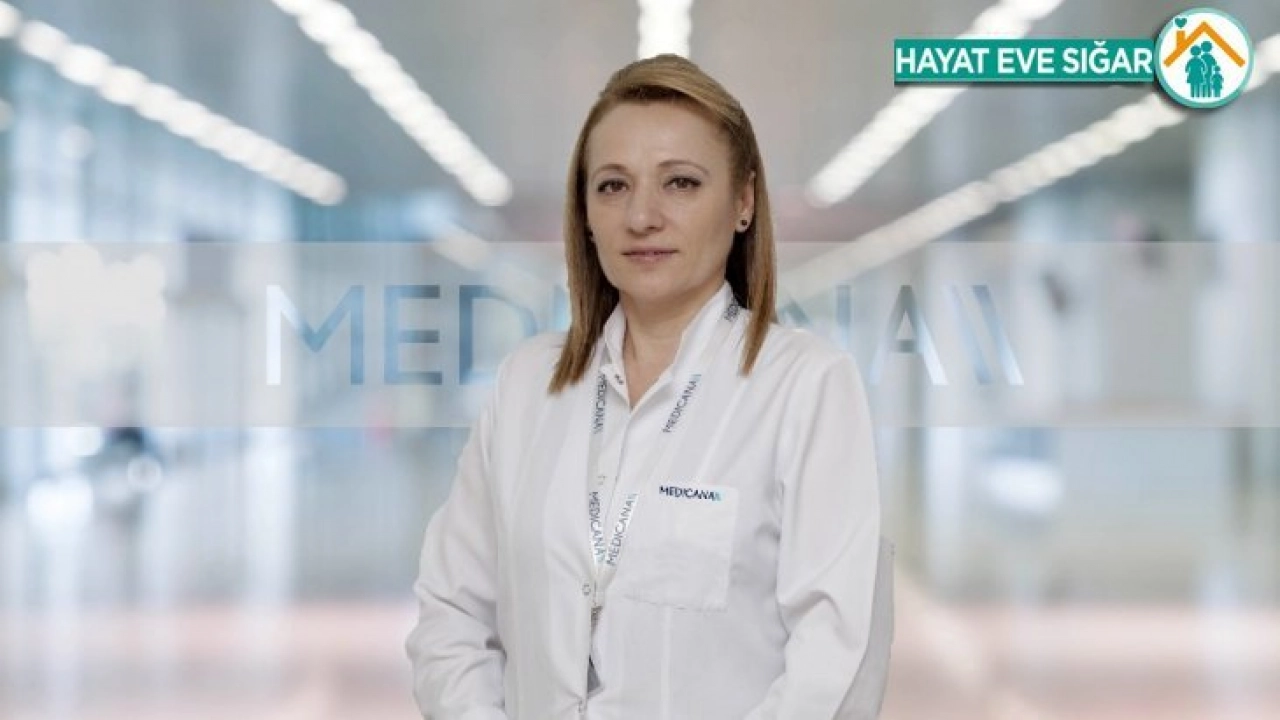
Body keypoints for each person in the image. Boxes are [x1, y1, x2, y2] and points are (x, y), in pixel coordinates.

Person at [406, 53, 892, 719]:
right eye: (612, 186)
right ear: (585, 212)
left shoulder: (806, 387)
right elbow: (452, 614)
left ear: (743, 202)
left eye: (681, 183)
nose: (642, 216)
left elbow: (835, 658)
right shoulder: (525, 385)